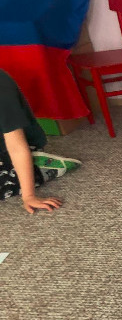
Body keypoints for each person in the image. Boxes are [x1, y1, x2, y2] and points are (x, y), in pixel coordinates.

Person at [0, 69, 81, 213]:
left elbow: (16, 147)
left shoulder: (2, 88)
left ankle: (40, 165)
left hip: (15, 148)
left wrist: (29, 196)